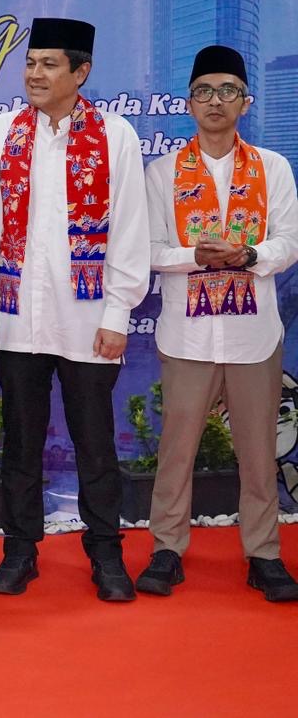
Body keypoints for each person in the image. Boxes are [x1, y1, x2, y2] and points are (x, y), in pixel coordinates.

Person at [0, 17, 150, 602]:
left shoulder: (115, 136)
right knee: (20, 444)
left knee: (95, 445)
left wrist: (118, 314)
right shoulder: (1, 133)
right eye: (30, 63)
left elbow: (129, 230)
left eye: (49, 64)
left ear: (81, 72)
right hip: (17, 317)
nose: (34, 74)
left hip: (88, 320)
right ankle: (20, 551)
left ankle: (106, 554)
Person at [137, 45, 298, 601]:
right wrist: (196, 256)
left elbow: (289, 242)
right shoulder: (162, 172)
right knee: (176, 450)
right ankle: (167, 549)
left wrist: (249, 255)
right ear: (189, 103)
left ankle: (264, 554)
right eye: (204, 91)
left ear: (245, 102)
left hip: (254, 336)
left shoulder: (272, 168)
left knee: (259, 453)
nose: (215, 101)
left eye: (228, 90)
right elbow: (148, 250)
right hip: (188, 335)